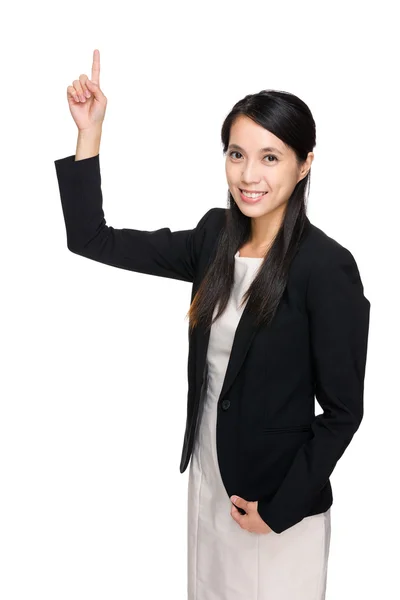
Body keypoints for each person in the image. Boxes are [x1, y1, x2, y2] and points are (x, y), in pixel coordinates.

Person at [54, 49, 370, 600]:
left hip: (275, 500)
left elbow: (343, 412)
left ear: (306, 163)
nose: (249, 175)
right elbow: (91, 239)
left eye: (271, 158)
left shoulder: (327, 267)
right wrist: (91, 133)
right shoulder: (214, 237)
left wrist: (280, 508)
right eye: (237, 154)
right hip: (208, 479)